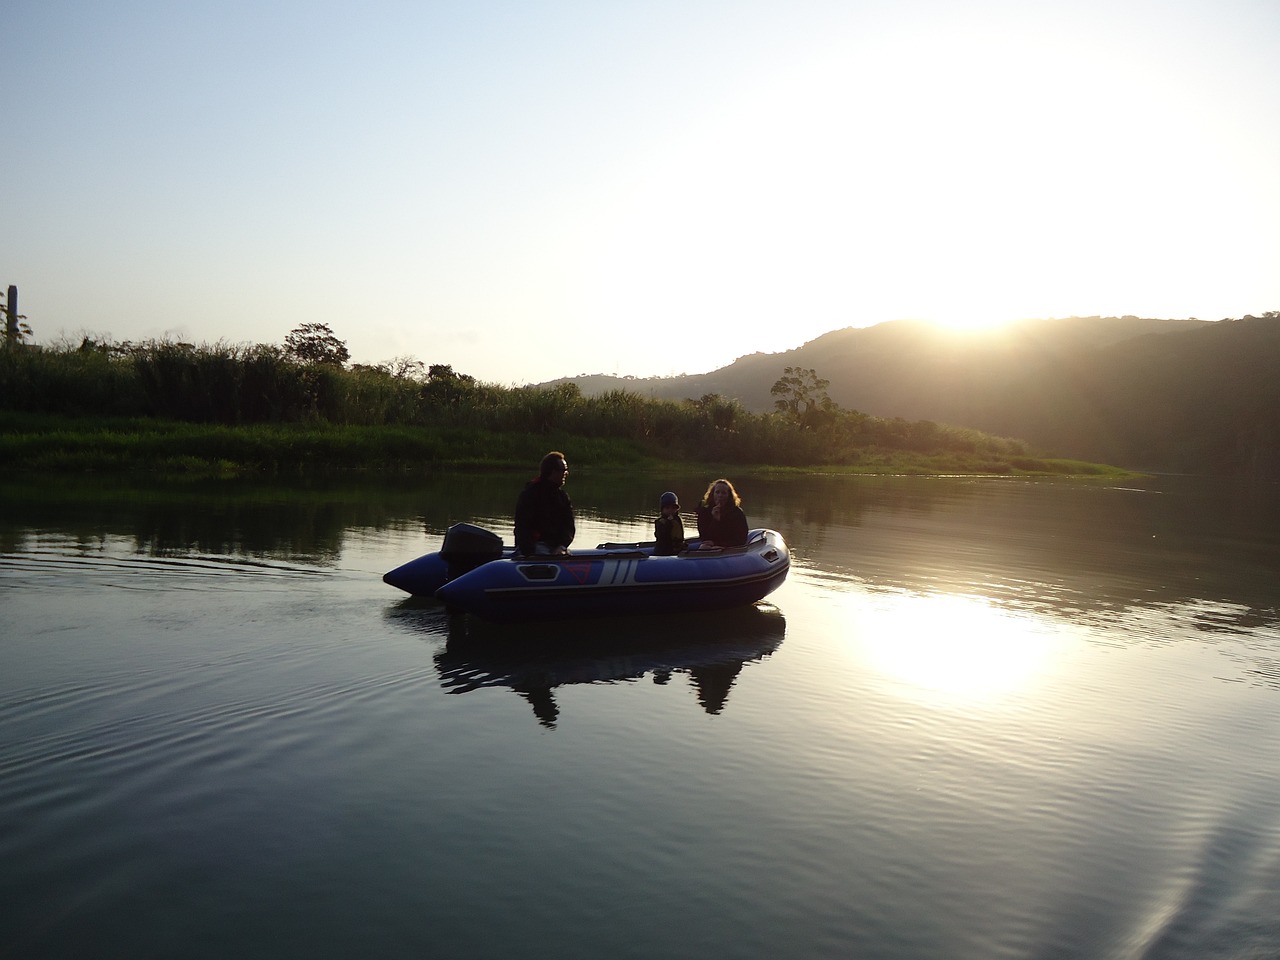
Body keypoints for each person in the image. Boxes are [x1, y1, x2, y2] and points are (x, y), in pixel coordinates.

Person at [513, 451, 575, 556]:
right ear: (553, 471)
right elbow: (522, 527)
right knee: (541, 550)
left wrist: (562, 546)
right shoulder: (531, 494)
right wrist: (529, 552)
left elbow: (569, 526)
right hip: (534, 547)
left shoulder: (563, 497)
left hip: (556, 547)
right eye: (564, 470)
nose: (566, 474)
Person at [696, 478, 748, 549]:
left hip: (730, 547)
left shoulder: (737, 513)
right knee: (703, 547)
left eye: (724, 493)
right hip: (710, 546)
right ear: (712, 494)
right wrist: (715, 520)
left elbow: (741, 539)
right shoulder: (705, 512)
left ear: (729, 496)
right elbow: (705, 537)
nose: (720, 495)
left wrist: (720, 545)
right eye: (717, 492)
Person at [653, 490, 686, 556]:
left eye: (673, 508)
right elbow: (661, 536)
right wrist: (668, 524)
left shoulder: (677, 520)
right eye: (667, 508)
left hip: (677, 551)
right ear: (662, 509)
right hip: (664, 552)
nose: (670, 510)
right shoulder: (660, 522)